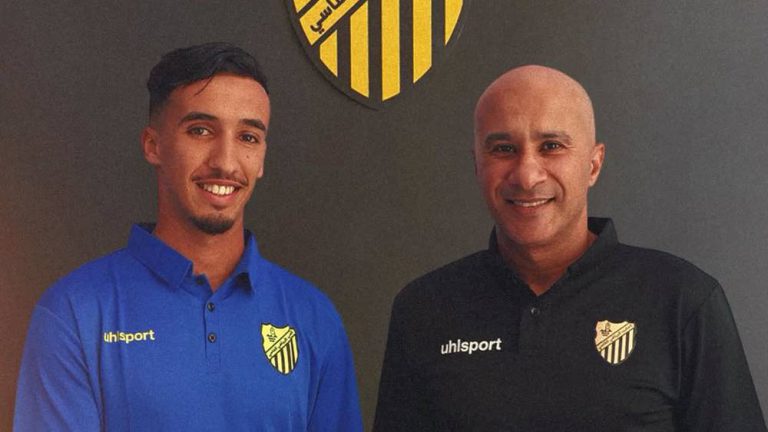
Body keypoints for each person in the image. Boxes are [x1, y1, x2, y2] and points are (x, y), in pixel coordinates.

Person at [373, 65, 766, 431]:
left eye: (551, 146)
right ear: (477, 164)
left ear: (593, 165)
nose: (527, 175)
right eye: (504, 149)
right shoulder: (424, 309)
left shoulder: (682, 301)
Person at [14, 42, 362, 431]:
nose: (225, 162)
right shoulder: (75, 313)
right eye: (200, 131)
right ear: (153, 145)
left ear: (263, 156)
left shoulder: (313, 317)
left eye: (248, 137)